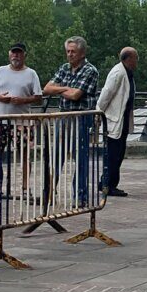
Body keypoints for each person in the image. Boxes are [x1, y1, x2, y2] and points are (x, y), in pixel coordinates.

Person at [43, 36, 100, 205]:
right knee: (56, 157)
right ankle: (48, 194)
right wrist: (66, 88)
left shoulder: (90, 70)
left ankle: (80, 197)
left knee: (80, 159)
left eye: (73, 51)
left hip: (81, 118)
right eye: (68, 51)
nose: (69, 54)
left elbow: (76, 95)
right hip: (63, 116)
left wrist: (59, 89)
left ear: (82, 53)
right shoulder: (64, 68)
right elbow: (47, 88)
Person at [0, 43, 43, 195]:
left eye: (19, 53)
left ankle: (25, 188)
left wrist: (23, 100)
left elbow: (38, 97)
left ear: (24, 55)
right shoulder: (0, 71)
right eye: (13, 52)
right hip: (0, 121)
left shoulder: (31, 74)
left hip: (22, 122)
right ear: (9, 54)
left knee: (25, 155)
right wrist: (0, 98)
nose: (16, 56)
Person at [96, 47, 138, 197]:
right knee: (113, 154)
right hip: (114, 120)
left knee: (118, 153)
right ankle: (108, 184)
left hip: (122, 120)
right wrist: (98, 113)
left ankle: (107, 183)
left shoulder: (127, 72)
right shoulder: (118, 73)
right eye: (135, 58)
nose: (137, 62)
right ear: (129, 59)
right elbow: (106, 94)